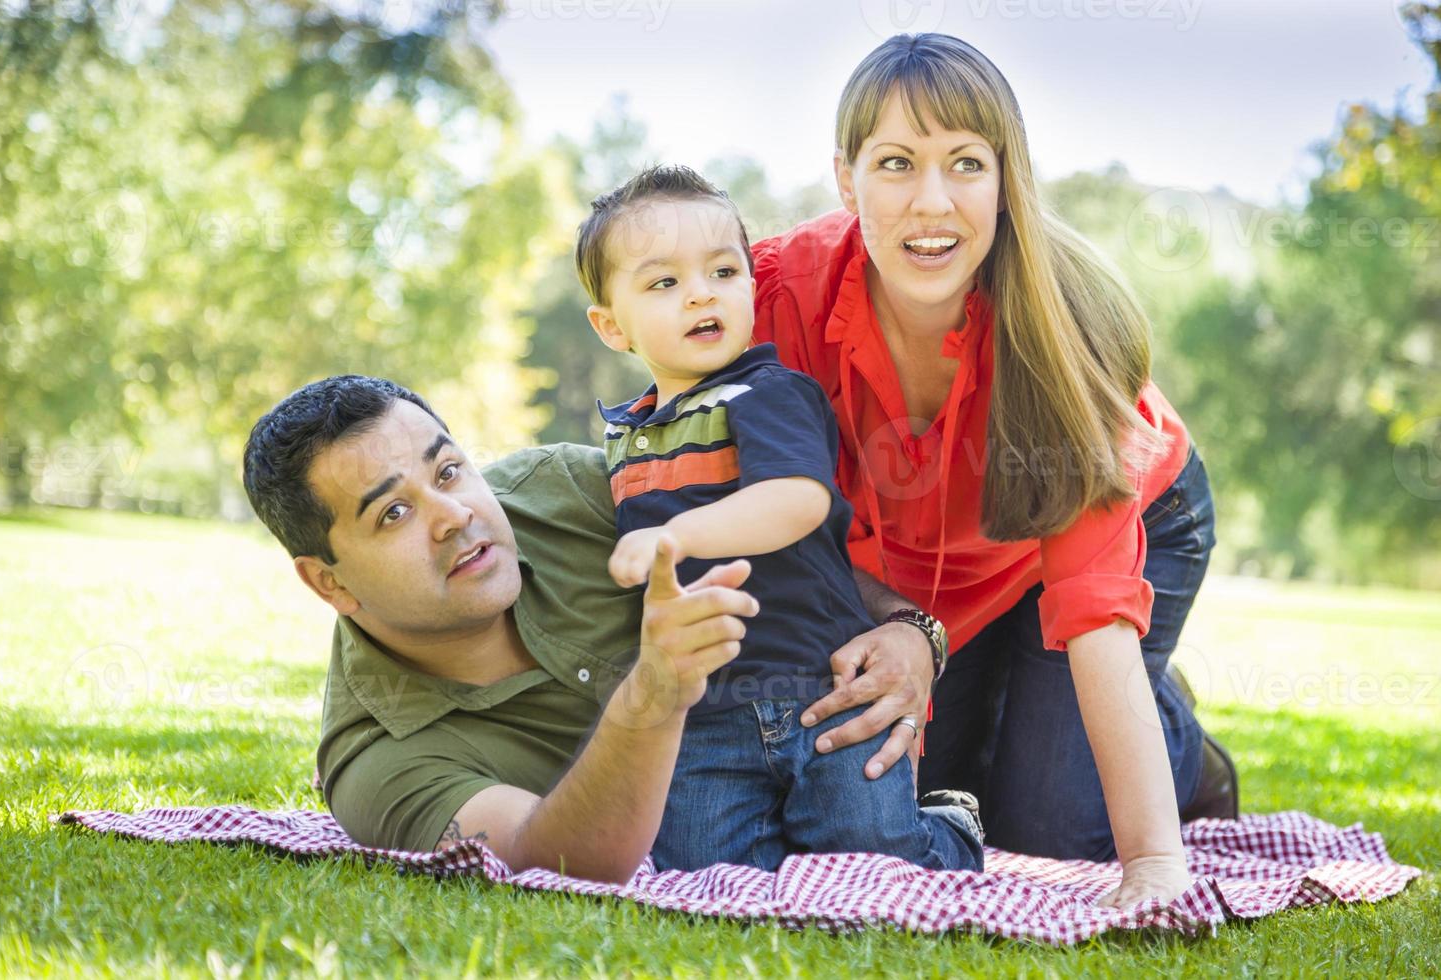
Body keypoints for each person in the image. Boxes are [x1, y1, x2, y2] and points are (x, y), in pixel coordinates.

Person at [749, 33, 1236, 906]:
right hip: (929, 582)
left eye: (965, 163)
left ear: (1007, 178)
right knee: (923, 777)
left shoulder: (1061, 339)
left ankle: (1175, 733)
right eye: (895, 163)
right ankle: (1024, 704)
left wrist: (1157, 870)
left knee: (1050, 830)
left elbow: (1092, 609)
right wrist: (911, 631)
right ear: (844, 177)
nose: (930, 203)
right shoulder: (776, 298)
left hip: (1126, 527)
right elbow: (753, 514)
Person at [576, 164, 983, 873]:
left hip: (822, 688)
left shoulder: (766, 393)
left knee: (872, 858)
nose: (700, 292)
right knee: (706, 870)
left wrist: (677, 537)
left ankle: (949, 828)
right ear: (612, 325)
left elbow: (798, 500)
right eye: (663, 283)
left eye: (723, 271)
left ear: (751, 287)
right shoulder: (629, 439)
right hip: (703, 712)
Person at [241, 375, 763, 882]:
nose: (453, 514)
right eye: (394, 512)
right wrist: (655, 692)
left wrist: (849, 633)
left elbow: (791, 536)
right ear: (329, 583)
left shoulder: (567, 489)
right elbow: (557, 862)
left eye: (447, 471)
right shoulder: (376, 764)